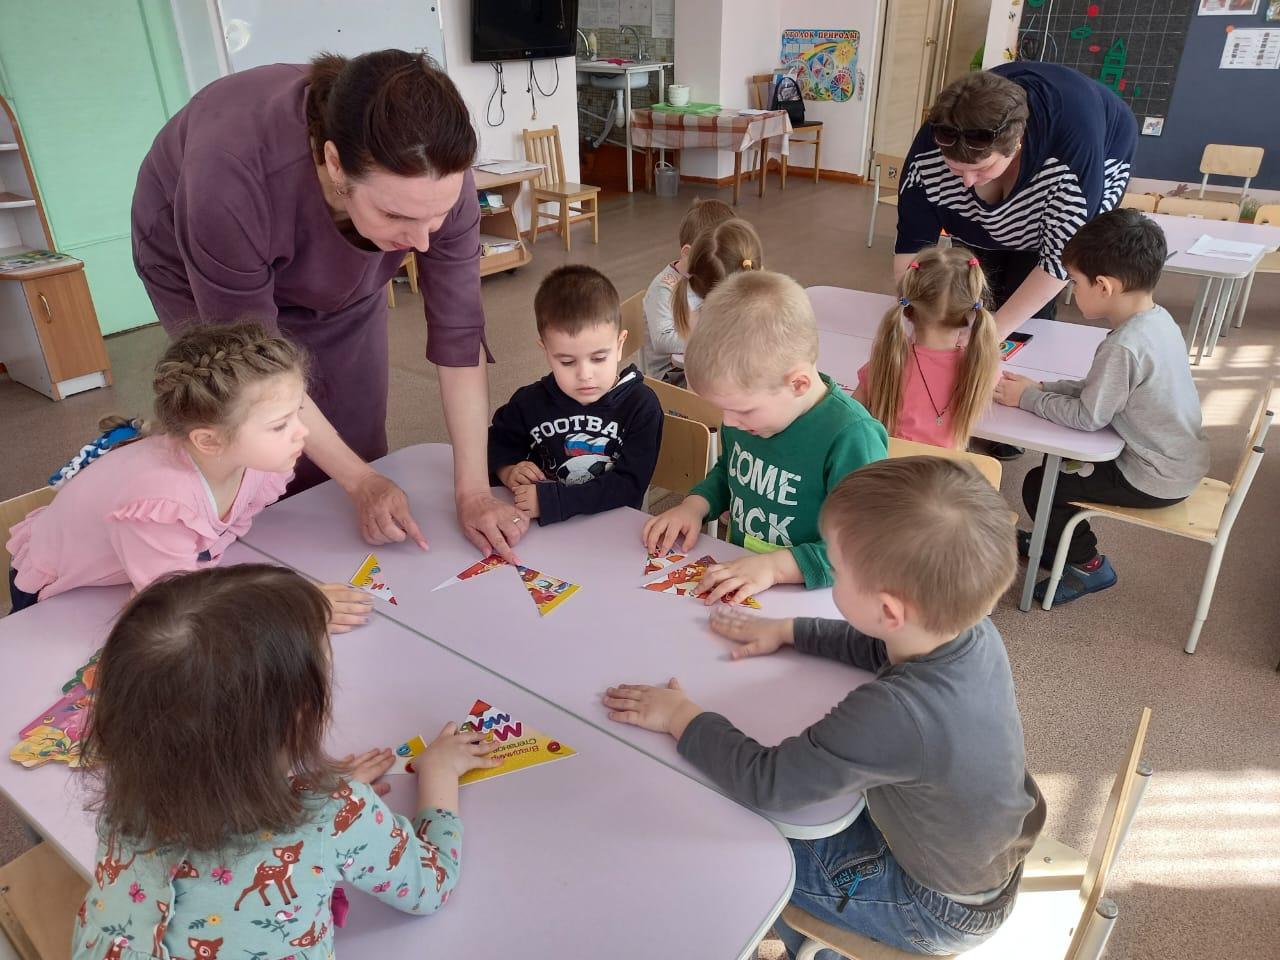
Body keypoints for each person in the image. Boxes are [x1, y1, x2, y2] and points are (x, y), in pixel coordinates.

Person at [604, 457, 1046, 958]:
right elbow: (881, 645)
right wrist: (789, 631)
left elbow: (769, 783)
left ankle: (820, 947)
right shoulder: (970, 630)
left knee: (742, 830)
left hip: (931, 909)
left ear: (888, 610)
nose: (829, 573)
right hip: (984, 862)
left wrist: (681, 717)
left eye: (836, 567)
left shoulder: (894, 713)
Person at [132, 49, 528, 562]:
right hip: (198, 259)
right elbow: (256, 364)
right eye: (397, 216)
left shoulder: (434, 180)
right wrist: (361, 483)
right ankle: (275, 576)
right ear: (336, 164)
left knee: (356, 432)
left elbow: (459, 337)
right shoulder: (230, 175)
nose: (424, 243)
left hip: (337, 262)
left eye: (437, 217)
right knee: (258, 434)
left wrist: (471, 491)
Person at [72, 564, 499, 960]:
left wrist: (311, 790)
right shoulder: (334, 813)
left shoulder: (127, 790)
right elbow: (431, 886)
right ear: (299, 717)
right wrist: (438, 774)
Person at [6, 324, 368, 633]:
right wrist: (290, 607)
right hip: (58, 595)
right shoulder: (161, 501)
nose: (301, 433)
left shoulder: (255, 463)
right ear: (209, 440)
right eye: (279, 425)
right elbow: (180, 611)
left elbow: (213, 547)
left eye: (296, 414)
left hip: (130, 574)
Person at [994, 209, 1209, 605]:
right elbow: (1100, 391)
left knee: (1043, 485)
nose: (1071, 292)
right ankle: (1049, 537)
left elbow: (1088, 417)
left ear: (1105, 286)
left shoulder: (1122, 346)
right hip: (1173, 459)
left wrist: (1026, 398)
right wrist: (1043, 386)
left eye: (1074, 282)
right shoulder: (1156, 321)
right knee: (1054, 477)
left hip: (1154, 475)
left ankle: (1088, 565)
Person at [643, 271, 888, 604]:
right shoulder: (752, 417)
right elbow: (730, 471)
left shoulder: (852, 436)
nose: (728, 422)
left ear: (798, 383)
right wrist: (694, 506)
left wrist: (775, 568)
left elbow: (863, 546)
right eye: (724, 410)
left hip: (819, 601)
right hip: (749, 584)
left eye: (743, 411)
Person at [896, 65, 1138, 339]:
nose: (966, 181)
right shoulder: (929, 151)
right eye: (955, 170)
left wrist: (992, 335)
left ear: (1016, 145)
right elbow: (912, 246)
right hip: (1028, 159)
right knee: (976, 282)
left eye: (982, 169)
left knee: (1024, 311)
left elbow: (1059, 260)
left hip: (1098, 143)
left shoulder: (1069, 158)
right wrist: (912, 318)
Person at [488, 265, 663, 525]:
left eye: (599, 358)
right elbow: (494, 445)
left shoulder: (641, 406)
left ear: (619, 345)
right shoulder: (530, 402)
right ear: (545, 350)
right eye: (567, 362)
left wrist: (552, 501)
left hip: (609, 531)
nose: (585, 374)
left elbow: (628, 486)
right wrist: (508, 470)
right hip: (546, 536)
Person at [854, 246, 999, 450]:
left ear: (908, 309)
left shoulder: (886, 361)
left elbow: (848, 419)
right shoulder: (983, 367)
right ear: (972, 313)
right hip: (943, 477)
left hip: (885, 472)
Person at [642, 197, 736, 384]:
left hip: (699, 364)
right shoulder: (664, 288)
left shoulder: (704, 277)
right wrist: (707, 341)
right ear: (687, 253)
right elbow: (661, 340)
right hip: (669, 377)